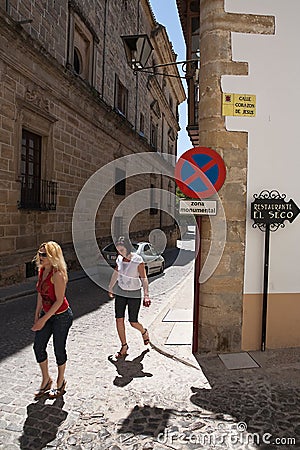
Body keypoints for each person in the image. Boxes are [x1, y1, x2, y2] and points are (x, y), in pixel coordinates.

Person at [32, 241, 73, 399]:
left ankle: (60, 382)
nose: (40, 257)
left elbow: (58, 301)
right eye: (39, 253)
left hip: (61, 315)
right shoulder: (42, 270)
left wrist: (43, 320)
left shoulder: (58, 274)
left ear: (53, 256)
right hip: (47, 314)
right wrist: (37, 315)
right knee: (38, 347)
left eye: (44, 255)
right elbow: (40, 294)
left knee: (58, 349)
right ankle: (46, 380)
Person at [108, 236, 151, 358]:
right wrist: (110, 287)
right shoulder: (119, 259)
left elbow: (144, 278)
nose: (119, 253)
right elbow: (116, 273)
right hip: (121, 292)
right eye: (118, 250)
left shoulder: (138, 260)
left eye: (121, 250)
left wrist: (146, 295)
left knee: (133, 322)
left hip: (134, 293)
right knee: (119, 319)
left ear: (127, 248)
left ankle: (144, 332)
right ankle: (124, 346)